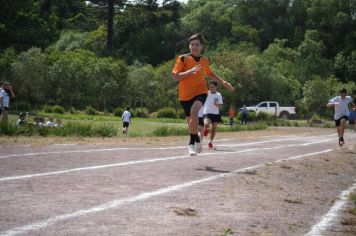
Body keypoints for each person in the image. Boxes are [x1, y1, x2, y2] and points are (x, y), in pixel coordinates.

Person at [172, 33, 234, 156]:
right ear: (189, 46)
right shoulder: (183, 59)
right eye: (192, 44)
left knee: (195, 112)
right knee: (191, 122)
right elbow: (175, 77)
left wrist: (223, 81)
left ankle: (191, 144)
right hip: (184, 95)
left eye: (197, 45)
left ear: (202, 47)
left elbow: (209, 73)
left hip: (200, 91)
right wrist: (189, 72)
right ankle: (196, 139)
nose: (195, 47)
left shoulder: (204, 60)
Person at [203, 81, 223, 150]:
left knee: (214, 128)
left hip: (215, 114)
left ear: (216, 87)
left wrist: (217, 104)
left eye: (213, 87)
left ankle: (210, 143)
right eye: (210, 87)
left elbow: (220, 107)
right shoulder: (206, 93)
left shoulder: (219, 95)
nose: (211, 88)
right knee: (206, 124)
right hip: (207, 112)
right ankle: (205, 129)